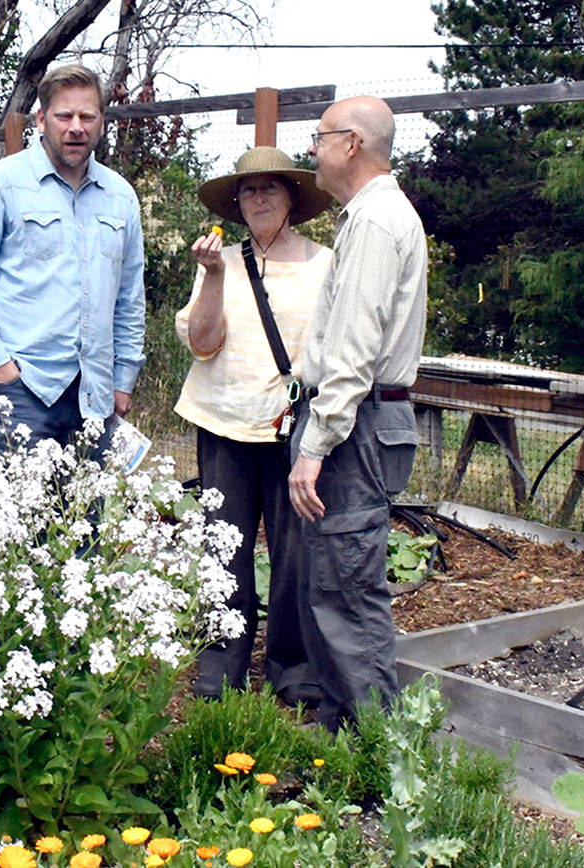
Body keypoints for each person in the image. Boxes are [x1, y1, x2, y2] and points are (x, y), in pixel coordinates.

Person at [287, 95, 427, 732]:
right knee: (332, 582)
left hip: (356, 427)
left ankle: (375, 747)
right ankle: (341, 729)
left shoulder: (374, 222)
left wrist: (315, 445)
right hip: (364, 421)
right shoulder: (372, 217)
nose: (311, 148)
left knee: (347, 588)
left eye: (318, 136)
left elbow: (353, 353)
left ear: (352, 144)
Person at [174, 146, 333, 701]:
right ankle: (221, 671)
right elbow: (201, 343)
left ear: (292, 197)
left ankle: (291, 675)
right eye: (248, 190)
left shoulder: (323, 263)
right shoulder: (221, 262)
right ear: (237, 203)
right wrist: (213, 277)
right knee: (225, 550)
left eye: (270, 187)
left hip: (294, 430)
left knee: (295, 556)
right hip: (223, 424)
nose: (259, 197)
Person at [0, 63, 146, 455]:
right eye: (64, 115)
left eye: (88, 116)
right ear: (42, 119)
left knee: (82, 517)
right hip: (17, 391)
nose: (76, 127)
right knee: (5, 516)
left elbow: (129, 298)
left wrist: (123, 380)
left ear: (102, 123)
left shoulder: (121, 198)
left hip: (94, 398)